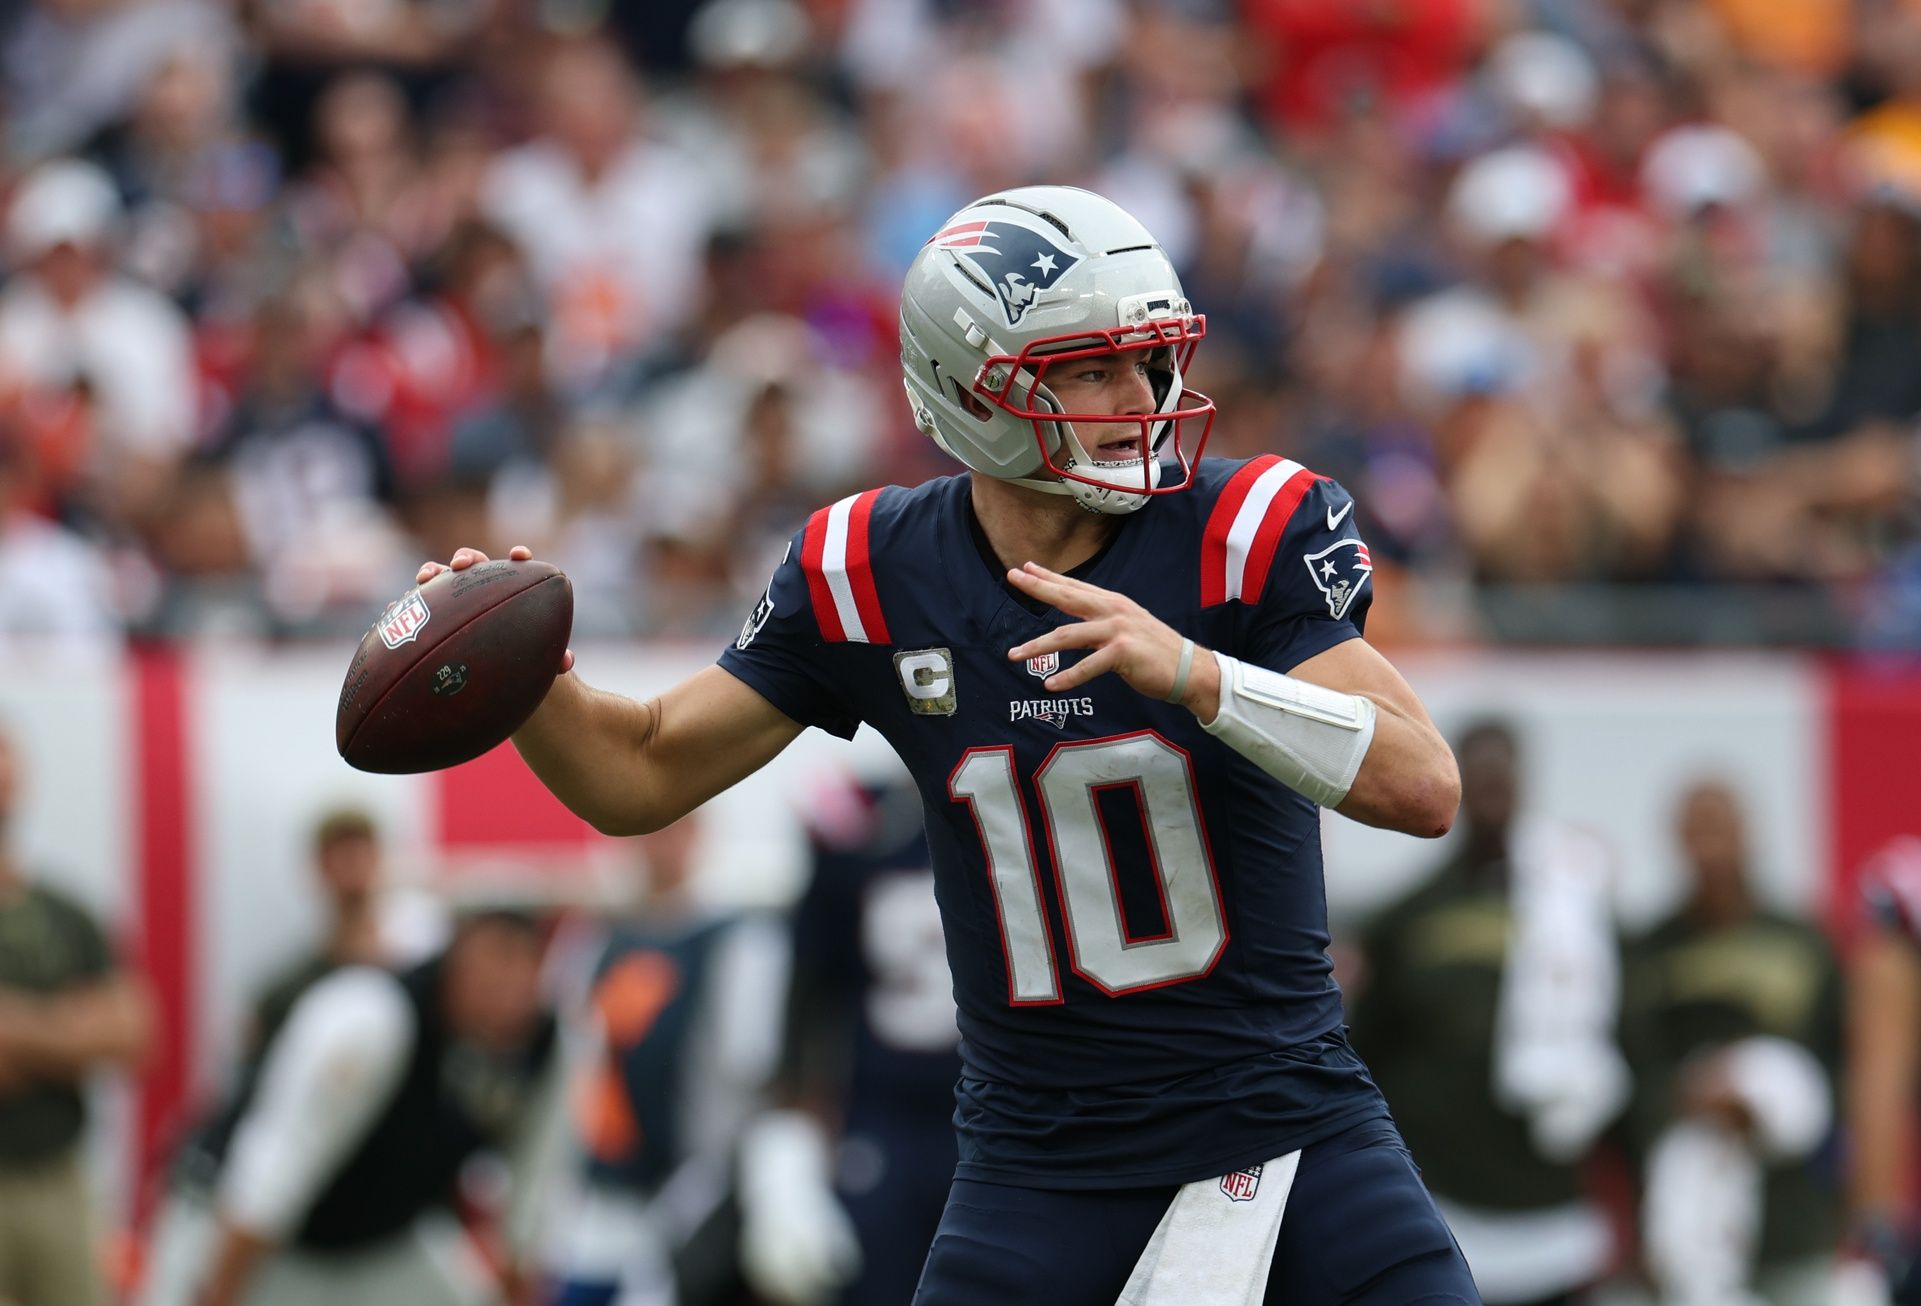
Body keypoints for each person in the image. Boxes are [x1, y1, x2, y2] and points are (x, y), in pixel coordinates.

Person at [418, 185, 1472, 1304]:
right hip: (1041, 1168)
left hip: (1291, 1129)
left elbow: (1423, 783)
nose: (1143, 399)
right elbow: (638, 773)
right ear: (973, 390)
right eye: (1093, 368)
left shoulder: (1244, 529)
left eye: (1152, 361)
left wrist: (1197, 674)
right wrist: (524, 681)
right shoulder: (868, 567)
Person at [140, 911, 558, 1306]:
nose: (506, 986)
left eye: (522, 964)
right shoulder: (371, 1018)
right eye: (494, 960)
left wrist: (517, 1275)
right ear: (455, 962)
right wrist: (217, 1295)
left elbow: (533, 1190)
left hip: (373, 1239)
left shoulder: (548, 1045)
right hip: (245, 1229)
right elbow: (270, 1177)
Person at [1350, 721, 1626, 1306]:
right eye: (1478, 773)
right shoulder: (1407, 918)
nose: (1492, 788)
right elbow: (1368, 1054)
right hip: (1445, 1204)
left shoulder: (1575, 907)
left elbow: (1622, 1041)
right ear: (1455, 780)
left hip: (1553, 1209)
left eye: (1503, 772)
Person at [544, 814, 792, 1306]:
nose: (656, 842)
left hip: (688, 1190)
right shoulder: (593, 939)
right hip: (601, 1191)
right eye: (647, 827)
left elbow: (749, 1070)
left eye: (672, 827)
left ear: (698, 834)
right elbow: (569, 1064)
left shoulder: (738, 940)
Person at [1619, 780, 1843, 1306]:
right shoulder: (1649, 953)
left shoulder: (1802, 940)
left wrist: (1776, 1105)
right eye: (1698, 833)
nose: (1712, 849)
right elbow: (1630, 1075)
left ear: (1749, 834)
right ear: (1676, 842)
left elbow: (1843, 1068)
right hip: (1690, 1230)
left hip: (1795, 1223)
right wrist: (1688, 1096)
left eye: (1722, 830)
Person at [750, 771, 963, 1306]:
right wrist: (792, 1121)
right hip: (883, 1110)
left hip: (999, 1109)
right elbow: (813, 980)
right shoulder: (858, 821)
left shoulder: (1016, 801)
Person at [0, 725, 155, 1306]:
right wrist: (66, 1031)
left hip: (59, 1178)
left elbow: (133, 1032)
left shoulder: (66, 913)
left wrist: (12, 1027)